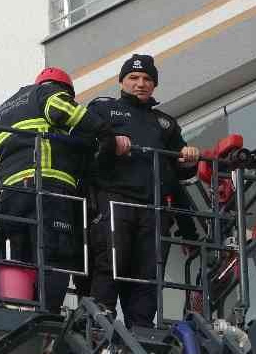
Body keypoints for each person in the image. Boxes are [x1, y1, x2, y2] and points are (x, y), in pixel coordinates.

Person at [0, 67, 116, 314]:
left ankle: (27, 311)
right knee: (55, 257)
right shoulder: (47, 93)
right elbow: (62, 109)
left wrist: (5, 177)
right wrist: (104, 133)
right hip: (49, 190)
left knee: (24, 260)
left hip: (12, 199)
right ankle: (48, 314)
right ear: (62, 89)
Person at [86, 54, 200, 328]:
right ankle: (101, 328)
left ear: (154, 84)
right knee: (111, 264)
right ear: (122, 82)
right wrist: (109, 143)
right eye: (134, 78)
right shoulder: (103, 109)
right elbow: (84, 148)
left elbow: (178, 175)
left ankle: (142, 331)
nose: (140, 84)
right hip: (115, 199)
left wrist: (187, 159)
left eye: (147, 79)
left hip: (154, 208)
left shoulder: (165, 123)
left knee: (148, 275)